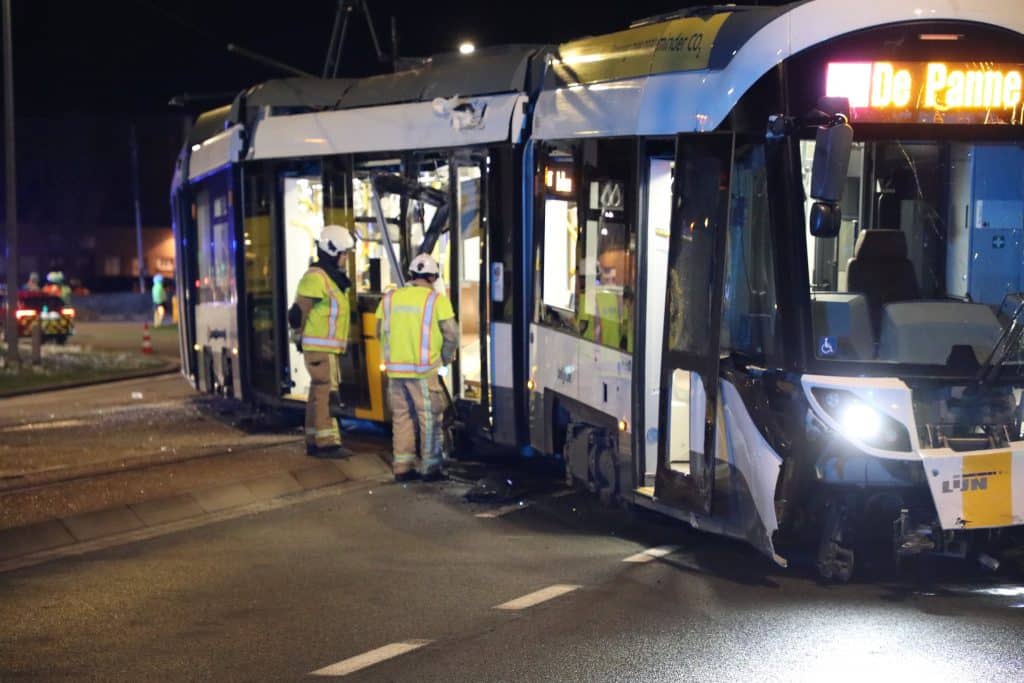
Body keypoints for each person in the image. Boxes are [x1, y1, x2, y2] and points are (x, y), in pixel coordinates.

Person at [376, 253, 458, 482]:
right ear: (433, 277)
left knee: (402, 417)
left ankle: (402, 466)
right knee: (429, 417)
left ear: (411, 275)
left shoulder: (390, 299)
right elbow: (451, 334)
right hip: (422, 372)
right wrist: (446, 358)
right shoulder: (436, 300)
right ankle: (430, 466)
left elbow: (378, 331)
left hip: (395, 372)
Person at [289, 225, 356, 459]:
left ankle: (313, 437)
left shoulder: (328, 277)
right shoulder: (316, 277)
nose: (346, 258)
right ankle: (327, 442)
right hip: (320, 347)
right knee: (327, 393)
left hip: (324, 347)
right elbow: (298, 313)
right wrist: (298, 336)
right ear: (332, 251)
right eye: (344, 253)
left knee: (318, 393)